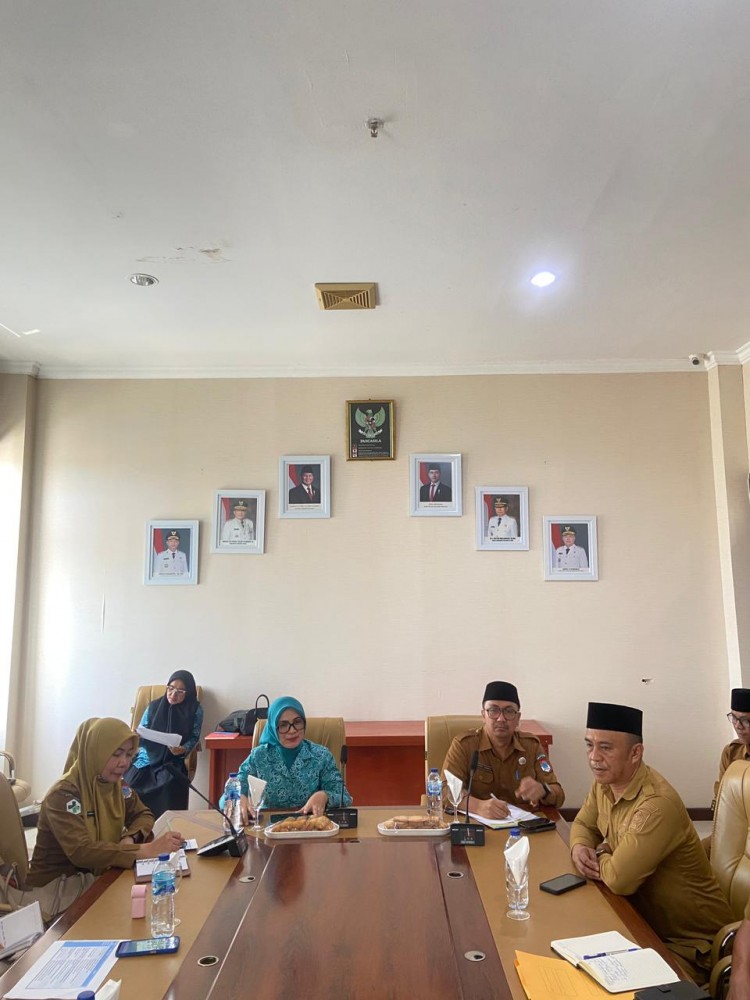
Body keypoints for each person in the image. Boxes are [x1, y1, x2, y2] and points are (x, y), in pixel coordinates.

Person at [570, 702, 733, 984]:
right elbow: (583, 824)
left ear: (635, 753)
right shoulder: (604, 783)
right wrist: (580, 846)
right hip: (639, 922)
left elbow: (620, 880)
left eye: (606, 748)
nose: (594, 757)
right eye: (589, 745)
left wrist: (603, 851)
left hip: (691, 946)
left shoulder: (656, 804)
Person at [27, 717, 183, 892]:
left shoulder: (116, 785)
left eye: (129, 754)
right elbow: (81, 851)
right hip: (58, 889)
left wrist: (129, 839)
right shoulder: (64, 794)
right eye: (116, 754)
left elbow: (143, 814)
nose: (124, 763)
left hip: (98, 877)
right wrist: (143, 850)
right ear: (95, 753)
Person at [441, 681, 564, 820]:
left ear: (517, 718)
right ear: (483, 715)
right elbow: (445, 790)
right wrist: (478, 806)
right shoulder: (465, 745)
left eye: (509, 711)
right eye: (493, 710)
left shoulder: (531, 746)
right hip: (477, 825)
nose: (501, 718)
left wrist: (543, 790)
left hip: (522, 825)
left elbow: (559, 794)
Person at [234, 696, 351, 823]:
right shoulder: (259, 756)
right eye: (283, 725)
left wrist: (324, 796)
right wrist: (240, 798)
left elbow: (344, 797)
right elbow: (231, 791)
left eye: (297, 722)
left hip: (309, 828)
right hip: (269, 828)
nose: (292, 730)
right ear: (273, 727)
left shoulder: (321, 756)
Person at [124, 671, 204, 818]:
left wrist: (183, 749)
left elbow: (194, 737)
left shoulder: (195, 710)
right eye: (171, 688)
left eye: (180, 691)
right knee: (130, 784)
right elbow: (142, 731)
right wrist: (136, 736)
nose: (173, 694)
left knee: (169, 786)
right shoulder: (153, 706)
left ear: (188, 693)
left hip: (171, 761)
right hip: (146, 758)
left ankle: (166, 827)